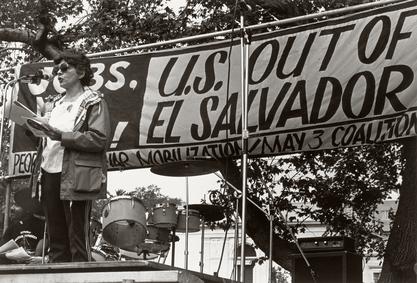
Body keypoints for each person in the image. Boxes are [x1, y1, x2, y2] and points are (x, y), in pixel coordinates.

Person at [29, 49, 111, 263]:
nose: (59, 74)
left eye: (65, 69)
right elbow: (46, 138)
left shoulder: (93, 100)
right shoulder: (54, 103)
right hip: (49, 172)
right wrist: (34, 127)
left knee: (77, 241)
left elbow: (99, 139)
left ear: (81, 72)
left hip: (76, 175)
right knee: (55, 240)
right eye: (57, 70)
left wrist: (61, 136)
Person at [0, 186, 46, 264]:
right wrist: (9, 256)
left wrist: (43, 259)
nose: (12, 208)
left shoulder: (43, 226)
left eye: (17, 205)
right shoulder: (12, 228)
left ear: (27, 208)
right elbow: (2, 252)